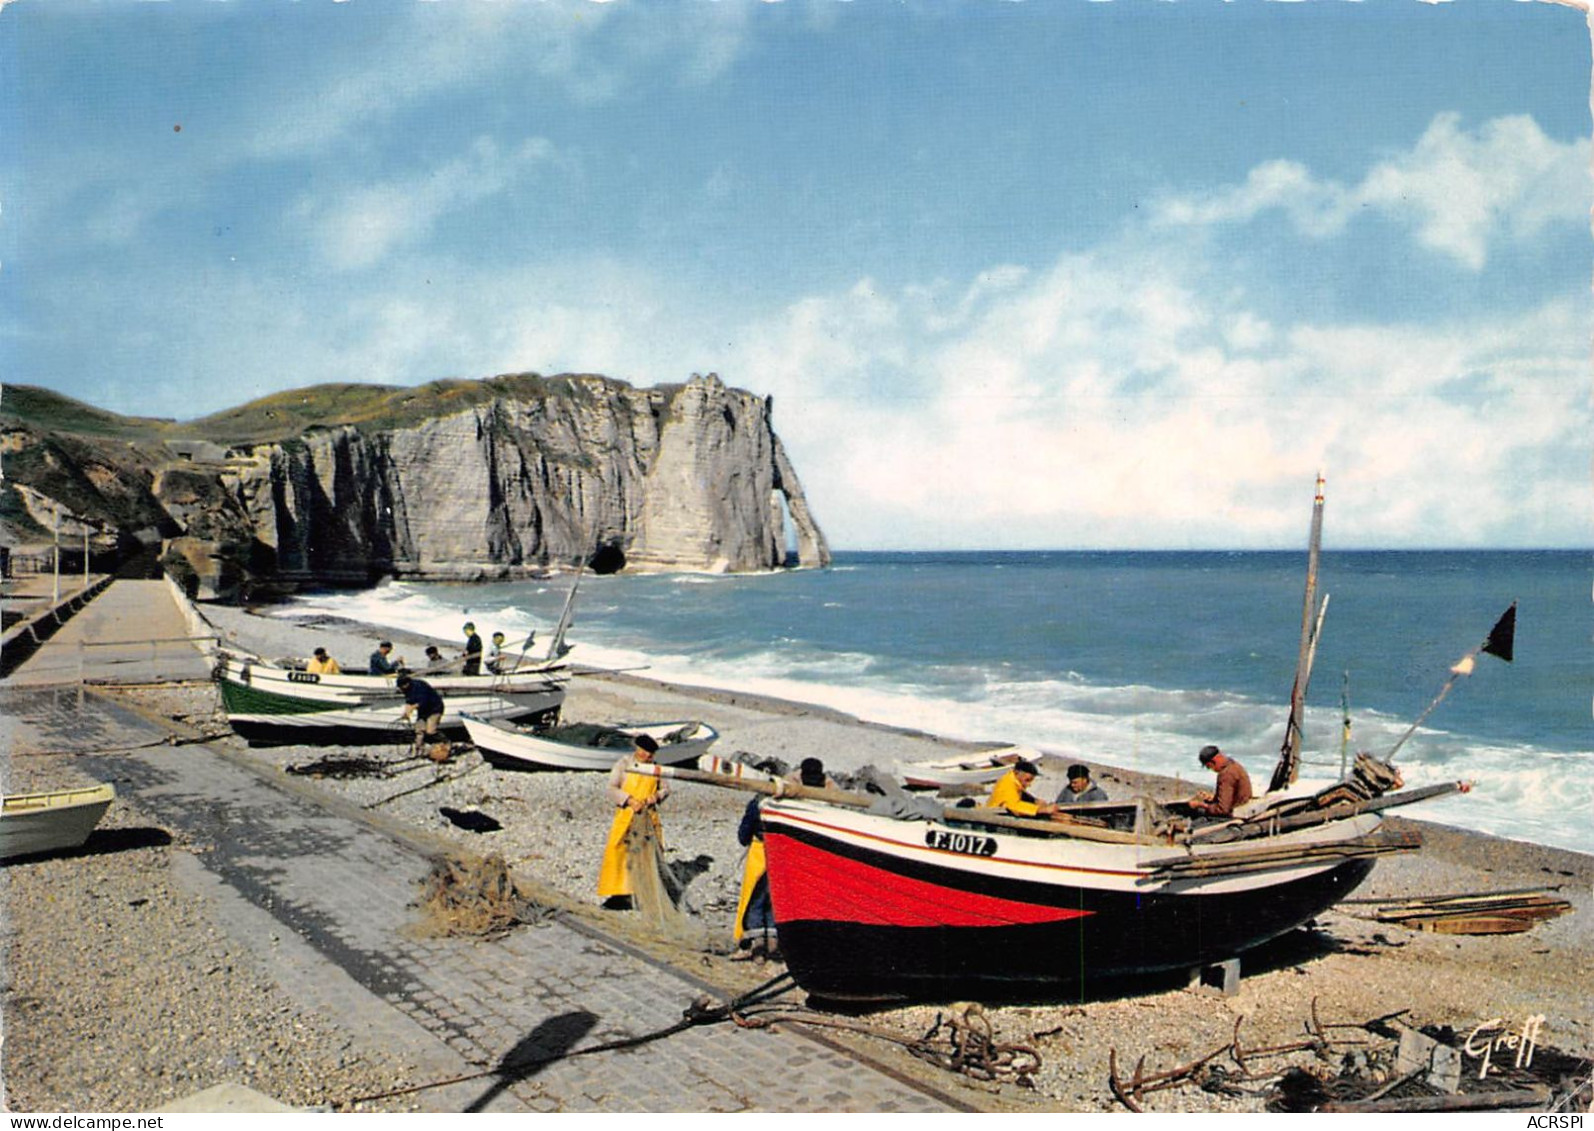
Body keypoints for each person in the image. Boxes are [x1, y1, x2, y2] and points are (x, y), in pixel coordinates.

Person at [597, 734, 668, 911]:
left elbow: (666, 789)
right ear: (638, 749)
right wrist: (628, 800)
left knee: (648, 854)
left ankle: (644, 893)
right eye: (644, 752)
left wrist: (655, 797)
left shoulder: (656, 768)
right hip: (626, 814)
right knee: (618, 851)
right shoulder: (623, 764)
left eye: (650, 753)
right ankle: (618, 894)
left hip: (648, 816)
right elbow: (612, 788)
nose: (647, 756)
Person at [732, 795, 778, 961]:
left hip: (759, 852)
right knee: (774, 900)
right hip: (780, 854)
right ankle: (773, 943)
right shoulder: (787, 804)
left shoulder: (756, 803)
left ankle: (750, 945)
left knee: (751, 898)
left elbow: (743, 835)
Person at [987, 759, 1071, 822]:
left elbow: (1020, 792)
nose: (1029, 784)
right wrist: (1042, 810)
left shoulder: (1012, 778)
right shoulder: (1007, 784)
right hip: (995, 816)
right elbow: (1014, 806)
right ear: (1017, 773)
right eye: (1027, 780)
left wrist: (1034, 800)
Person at [1190, 745, 1254, 817]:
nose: (1211, 769)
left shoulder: (1226, 775)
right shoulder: (1234, 765)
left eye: (1208, 767)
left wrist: (1201, 805)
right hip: (1243, 805)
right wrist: (1212, 798)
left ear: (1212, 762)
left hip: (1236, 812)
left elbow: (1222, 810)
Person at [396, 673, 446, 758]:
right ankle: (419, 751)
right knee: (419, 730)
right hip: (423, 711)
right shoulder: (406, 690)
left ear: (406, 684)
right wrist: (406, 713)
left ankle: (445, 741)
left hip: (435, 708)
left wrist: (412, 708)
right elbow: (409, 702)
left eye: (401, 687)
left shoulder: (420, 686)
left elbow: (423, 702)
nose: (401, 689)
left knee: (430, 731)